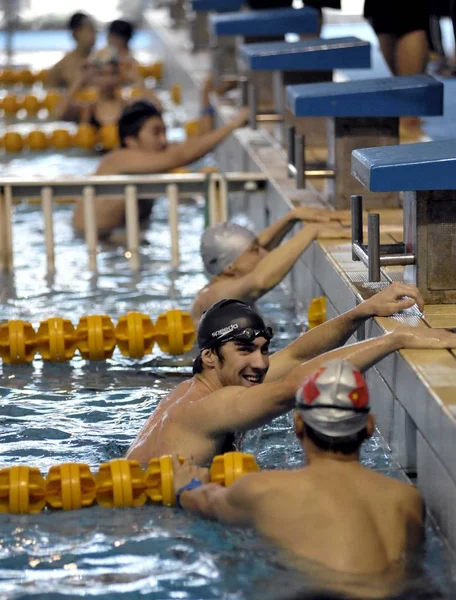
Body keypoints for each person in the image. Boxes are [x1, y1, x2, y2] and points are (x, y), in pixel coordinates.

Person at [126, 293, 456, 467]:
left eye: (263, 349)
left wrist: (362, 311)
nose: (260, 363)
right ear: (209, 355)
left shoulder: (203, 386)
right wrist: (392, 340)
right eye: (244, 350)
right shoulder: (212, 405)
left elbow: (297, 357)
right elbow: (292, 387)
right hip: (160, 522)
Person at [171, 359, 424, 576]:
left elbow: (208, 502)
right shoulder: (408, 499)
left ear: (299, 425)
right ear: (369, 426)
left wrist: (187, 487)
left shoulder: (264, 490)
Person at [72, 98, 250, 236]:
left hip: (116, 241)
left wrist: (206, 102)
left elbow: (194, 145)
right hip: (91, 243)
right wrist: (233, 125)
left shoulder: (147, 163)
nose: (164, 141)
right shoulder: (117, 160)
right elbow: (180, 156)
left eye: (165, 132)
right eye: (156, 132)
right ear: (131, 141)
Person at [191, 213, 352, 323]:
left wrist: (292, 217)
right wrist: (310, 232)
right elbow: (260, 281)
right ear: (229, 266)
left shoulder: (231, 273)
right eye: (255, 250)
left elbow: (253, 248)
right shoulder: (215, 297)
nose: (265, 253)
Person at [52, 47, 162, 125]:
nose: (108, 80)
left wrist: (137, 79)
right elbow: (58, 114)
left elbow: (158, 109)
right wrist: (78, 82)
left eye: (113, 73)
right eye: (102, 74)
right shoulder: (86, 110)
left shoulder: (129, 107)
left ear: (120, 76)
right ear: (93, 78)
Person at [47, 12, 97, 88]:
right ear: (75, 33)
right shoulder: (61, 67)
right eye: (89, 30)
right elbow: (52, 96)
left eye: (95, 30)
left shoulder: (103, 62)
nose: (94, 34)